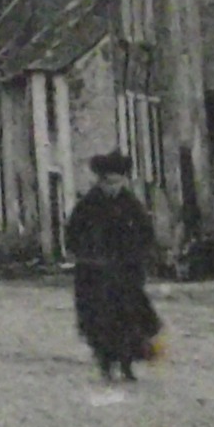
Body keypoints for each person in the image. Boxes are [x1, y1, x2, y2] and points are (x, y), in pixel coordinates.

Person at [64, 152, 163, 382]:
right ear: (100, 181)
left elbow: (146, 234)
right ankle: (106, 364)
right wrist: (86, 256)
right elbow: (72, 235)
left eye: (118, 182)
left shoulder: (131, 205)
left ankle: (127, 365)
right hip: (95, 275)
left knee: (128, 320)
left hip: (125, 273)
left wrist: (139, 256)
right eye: (109, 182)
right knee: (100, 322)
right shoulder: (87, 206)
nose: (113, 187)